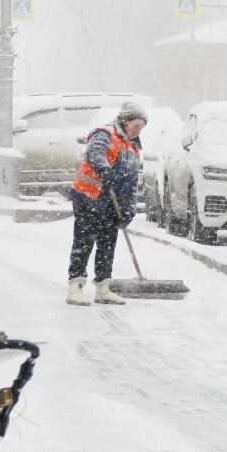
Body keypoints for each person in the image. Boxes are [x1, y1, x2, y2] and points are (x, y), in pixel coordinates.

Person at [66, 101, 147, 305]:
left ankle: (103, 288)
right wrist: (104, 169)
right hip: (88, 197)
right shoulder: (106, 133)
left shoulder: (133, 148)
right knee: (84, 242)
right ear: (125, 121)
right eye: (136, 125)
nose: (138, 130)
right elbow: (95, 152)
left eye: (142, 127)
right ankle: (75, 287)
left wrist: (129, 210)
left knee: (107, 244)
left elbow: (131, 183)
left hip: (111, 203)